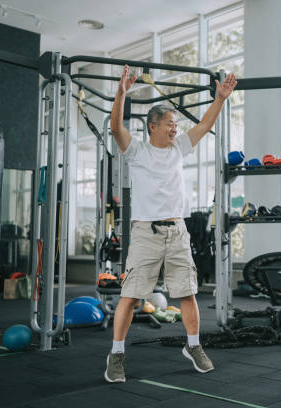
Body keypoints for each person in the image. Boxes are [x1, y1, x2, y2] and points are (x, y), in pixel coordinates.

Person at [104, 65, 237, 383]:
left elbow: (205, 124)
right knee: (131, 296)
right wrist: (121, 93)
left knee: (187, 293)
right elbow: (115, 127)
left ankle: (193, 346)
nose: (175, 128)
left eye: (176, 123)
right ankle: (117, 354)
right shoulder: (136, 150)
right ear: (153, 127)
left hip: (178, 230)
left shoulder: (180, 148)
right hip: (146, 231)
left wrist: (220, 99)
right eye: (170, 124)